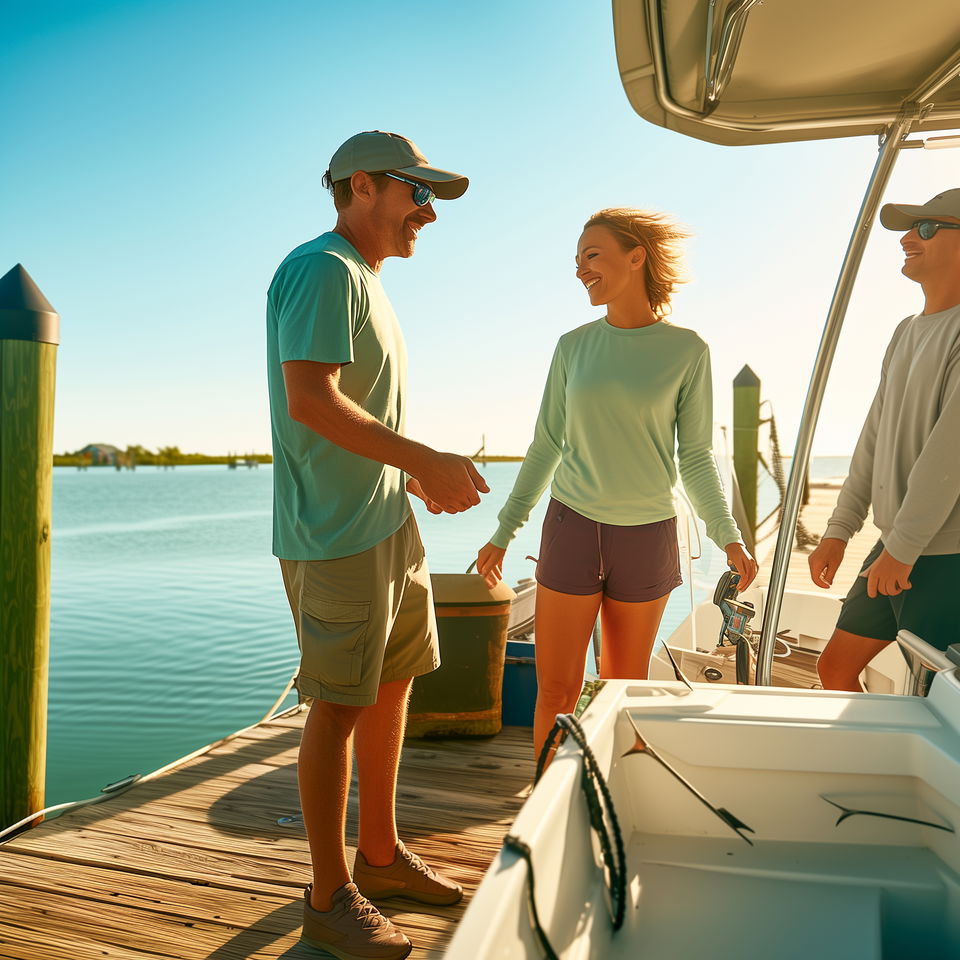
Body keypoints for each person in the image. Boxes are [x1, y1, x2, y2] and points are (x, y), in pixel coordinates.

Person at [266, 130, 488, 960]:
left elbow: (358, 418)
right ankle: (328, 896)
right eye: (416, 194)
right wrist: (425, 456)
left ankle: (383, 857)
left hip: (386, 521)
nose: (428, 213)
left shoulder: (367, 282)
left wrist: (412, 481)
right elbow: (311, 403)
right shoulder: (324, 269)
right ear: (362, 185)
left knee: (393, 685)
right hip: (333, 535)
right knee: (339, 706)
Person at [476, 207, 756, 763]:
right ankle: (546, 811)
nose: (581, 269)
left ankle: (609, 807)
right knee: (557, 691)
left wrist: (728, 536)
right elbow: (546, 445)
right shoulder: (573, 347)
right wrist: (504, 530)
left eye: (592, 255)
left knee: (623, 689)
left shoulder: (687, 350)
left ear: (637, 257)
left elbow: (695, 457)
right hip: (572, 526)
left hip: (647, 535)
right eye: (578, 259)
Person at [811, 189, 960, 691]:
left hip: (943, 554)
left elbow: (950, 455)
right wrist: (839, 529)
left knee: (935, 700)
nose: (905, 239)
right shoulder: (905, 331)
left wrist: (902, 548)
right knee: (834, 669)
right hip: (896, 544)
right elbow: (873, 437)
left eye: (924, 228)